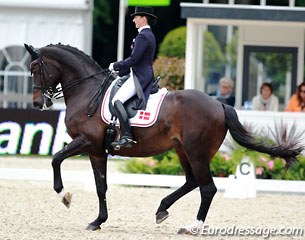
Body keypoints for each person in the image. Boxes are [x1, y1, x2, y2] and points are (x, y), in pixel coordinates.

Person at [108, 6, 157, 149]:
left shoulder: (144, 36)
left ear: (143, 18)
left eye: (136, 17)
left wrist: (115, 65)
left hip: (140, 76)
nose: (134, 19)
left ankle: (127, 136)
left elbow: (134, 59)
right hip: (139, 73)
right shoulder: (147, 34)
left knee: (117, 100)